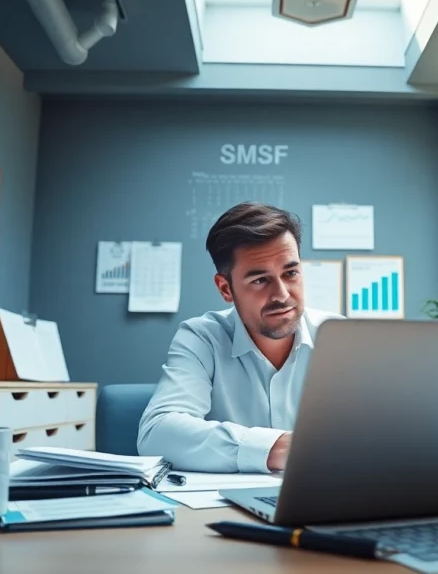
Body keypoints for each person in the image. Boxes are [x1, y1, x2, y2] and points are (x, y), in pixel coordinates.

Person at [137, 202, 342, 473]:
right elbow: (157, 433)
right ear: (225, 288)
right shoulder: (202, 337)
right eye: (260, 280)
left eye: (290, 273)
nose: (282, 294)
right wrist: (276, 448)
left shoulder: (339, 337)